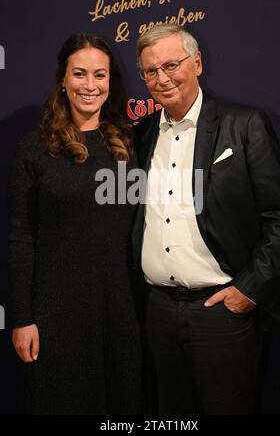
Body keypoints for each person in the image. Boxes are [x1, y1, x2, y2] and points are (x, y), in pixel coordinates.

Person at [132, 24, 280, 415]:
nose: (162, 78)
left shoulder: (244, 124)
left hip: (220, 311)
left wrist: (249, 290)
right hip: (157, 311)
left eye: (171, 65)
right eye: (150, 71)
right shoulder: (140, 136)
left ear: (197, 62)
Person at [8, 32, 144, 415]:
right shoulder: (34, 148)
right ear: (63, 81)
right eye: (80, 74)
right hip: (56, 313)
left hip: (122, 309)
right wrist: (22, 318)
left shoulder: (131, 142)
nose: (90, 85)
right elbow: (21, 236)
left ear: (110, 81)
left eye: (99, 75)